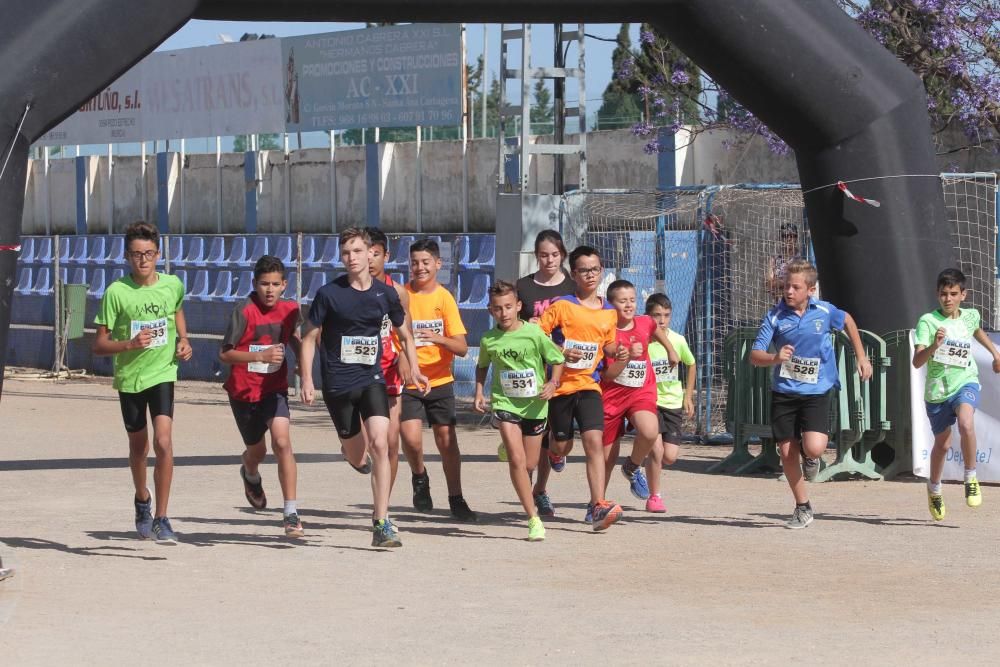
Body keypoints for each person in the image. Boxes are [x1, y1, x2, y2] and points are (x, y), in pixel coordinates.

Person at [299, 228, 428, 548]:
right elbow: (309, 338)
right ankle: (351, 453)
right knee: (358, 455)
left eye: (358, 251)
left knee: (382, 444)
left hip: (372, 379)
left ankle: (381, 522)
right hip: (338, 384)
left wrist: (414, 368)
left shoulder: (386, 295)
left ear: (370, 253)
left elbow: (405, 335)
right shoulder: (328, 294)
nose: (352, 258)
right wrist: (306, 378)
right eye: (346, 253)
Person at [750, 258, 871, 529]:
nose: (788, 292)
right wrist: (774, 357)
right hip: (784, 392)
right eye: (785, 287)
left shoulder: (825, 312)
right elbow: (754, 355)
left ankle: (812, 457)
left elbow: (848, 320)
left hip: (817, 390)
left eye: (795, 287)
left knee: (814, 446)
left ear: (810, 290)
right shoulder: (774, 317)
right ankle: (802, 507)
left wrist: (861, 357)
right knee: (786, 451)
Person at [92, 220, 193, 544]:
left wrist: (184, 340)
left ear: (158, 254)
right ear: (127, 256)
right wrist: (130, 344)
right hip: (130, 378)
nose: (143, 260)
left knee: (163, 442)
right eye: (136, 254)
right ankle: (142, 499)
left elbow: (176, 312)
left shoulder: (173, 285)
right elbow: (99, 345)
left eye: (148, 253)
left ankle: (163, 518)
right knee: (140, 447)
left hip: (162, 372)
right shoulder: (116, 292)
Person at [538, 246, 625, 531]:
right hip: (561, 387)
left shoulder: (609, 311)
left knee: (594, 442)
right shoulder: (562, 305)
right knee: (562, 443)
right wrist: (560, 350)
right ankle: (553, 453)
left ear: (602, 272)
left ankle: (597, 504)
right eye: (584, 270)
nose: (590, 275)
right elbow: (538, 334)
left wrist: (620, 351)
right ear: (573, 274)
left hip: (590, 385)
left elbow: (608, 343)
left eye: (595, 269)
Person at [219, 255, 305, 537]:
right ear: (254, 284)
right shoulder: (244, 311)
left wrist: (304, 368)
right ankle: (250, 473)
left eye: (275, 284)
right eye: (264, 284)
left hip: (274, 389)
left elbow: (292, 336)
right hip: (244, 392)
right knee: (258, 451)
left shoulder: (291, 309)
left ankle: (291, 512)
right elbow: (226, 354)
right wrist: (260, 355)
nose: (269, 290)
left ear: (284, 285)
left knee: (282, 443)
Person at [474, 281, 565, 541]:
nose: (503, 313)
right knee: (516, 460)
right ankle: (532, 518)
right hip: (505, 403)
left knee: (530, 463)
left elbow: (557, 359)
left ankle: (509, 448)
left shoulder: (534, 334)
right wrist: (480, 391)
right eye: (497, 308)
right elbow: (482, 366)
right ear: (490, 310)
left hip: (535, 405)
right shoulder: (489, 339)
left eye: (508, 307)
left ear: (518, 307)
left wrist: (552, 383)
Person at [913, 268, 1000, 521]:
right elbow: (917, 361)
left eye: (953, 294)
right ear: (937, 295)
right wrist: (934, 345)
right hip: (938, 391)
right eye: (943, 294)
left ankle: (971, 477)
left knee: (966, 422)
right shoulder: (928, 322)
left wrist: (995, 353)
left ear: (964, 294)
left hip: (965, 382)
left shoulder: (970, 316)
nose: (947, 299)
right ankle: (935, 489)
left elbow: (976, 331)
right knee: (943, 444)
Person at [399, 238, 477, 521]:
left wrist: (438, 338)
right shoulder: (402, 294)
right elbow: (393, 338)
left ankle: (456, 498)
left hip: (440, 380)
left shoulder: (444, 298)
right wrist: (403, 359)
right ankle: (419, 476)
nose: (420, 267)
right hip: (409, 382)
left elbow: (462, 347)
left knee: (446, 441)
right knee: (411, 439)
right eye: (415, 262)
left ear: (437, 264)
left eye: (425, 262)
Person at [599, 281, 679, 506]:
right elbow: (607, 376)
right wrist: (625, 359)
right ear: (611, 304)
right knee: (606, 457)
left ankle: (632, 466)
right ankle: (598, 503)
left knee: (650, 430)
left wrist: (670, 349)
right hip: (612, 395)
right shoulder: (606, 332)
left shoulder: (644, 322)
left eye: (632, 300)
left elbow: (655, 328)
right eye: (622, 301)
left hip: (640, 392)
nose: (628, 305)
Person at [514, 229, 575, 516]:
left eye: (554, 254)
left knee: (558, 438)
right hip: (533, 368)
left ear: (562, 254)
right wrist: (532, 325)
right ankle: (539, 491)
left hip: (568, 365)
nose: (549, 260)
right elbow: (512, 325)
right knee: (539, 429)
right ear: (536, 256)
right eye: (543, 255)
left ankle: (551, 461)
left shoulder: (573, 287)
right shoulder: (524, 288)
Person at [367, 227, 413, 492]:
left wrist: (406, 358)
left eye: (376, 254)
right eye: (366, 253)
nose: (370, 260)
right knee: (366, 444)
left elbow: (406, 330)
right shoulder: (343, 290)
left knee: (391, 442)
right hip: (357, 370)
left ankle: (382, 505)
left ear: (386, 255)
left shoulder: (397, 292)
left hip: (389, 368)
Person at [643, 294, 697, 512]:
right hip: (649, 401)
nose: (662, 320)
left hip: (673, 402)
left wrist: (688, 396)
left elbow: (691, 364)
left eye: (666, 315)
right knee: (655, 450)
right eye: (657, 315)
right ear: (648, 316)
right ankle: (655, 496)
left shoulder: (678, 340)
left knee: (670, 456)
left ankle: (642, 461)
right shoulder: (644, 341)